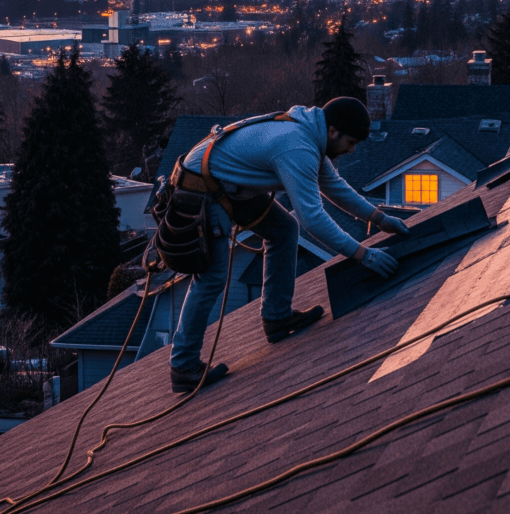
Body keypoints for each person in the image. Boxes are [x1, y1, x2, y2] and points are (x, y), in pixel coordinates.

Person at [167, 97, 411, 393]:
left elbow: (334, 187)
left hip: (226, 182)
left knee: (283, 229)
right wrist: (364, 255)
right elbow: (313, 218)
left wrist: (380, 218)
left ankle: (277, 317)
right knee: (212, 278)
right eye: (350, 143)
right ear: (333, 131)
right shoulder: (298, 147)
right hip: (202, 187)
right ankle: (183, 366)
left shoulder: (311, 137)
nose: (351, 151)